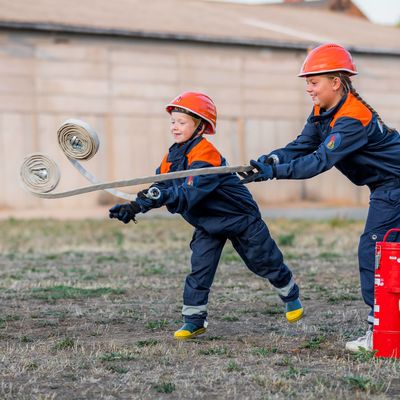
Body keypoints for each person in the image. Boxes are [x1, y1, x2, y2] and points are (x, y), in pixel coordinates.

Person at [241, 43, 400, 352]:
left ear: (335, 82)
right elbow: (300, 146)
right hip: (388, 187)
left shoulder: (352, 119)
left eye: (313, 82)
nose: (309, 89)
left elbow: (317, 162)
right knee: (386, 252)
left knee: (374, 250)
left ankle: (379, 333)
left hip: (395, 187)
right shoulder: (323, 112)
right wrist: (270, 161)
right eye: (307, 83)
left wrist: (271, 173)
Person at [109, 91, 303, 340]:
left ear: (200, 126)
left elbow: (189, 193)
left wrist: (161, 195)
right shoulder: (172, 157)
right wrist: (134, 207)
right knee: (199, 269)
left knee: (264, 262)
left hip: (241, 219)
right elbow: (162, 187)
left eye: (181, 122)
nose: (174, 127)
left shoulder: (206, 154)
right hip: (208, 224)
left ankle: (290, 295)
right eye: (172, 122)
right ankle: (194, 320)